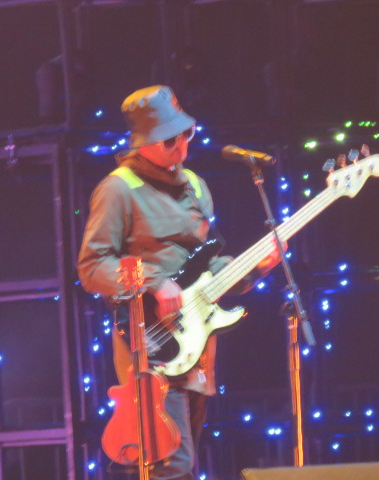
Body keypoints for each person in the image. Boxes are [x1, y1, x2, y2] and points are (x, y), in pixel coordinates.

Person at [77, 85, 281, 480]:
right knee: (170, 461)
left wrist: (255, 268)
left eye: (186, 133)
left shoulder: (196, 186)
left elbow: (209, 263)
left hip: (197, 342)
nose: (181, 145)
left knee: (181, 457)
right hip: (148, 341)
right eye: (169, 139)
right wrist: (153, 282)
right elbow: (92, 266)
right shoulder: (118, 189)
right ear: (143, 142)